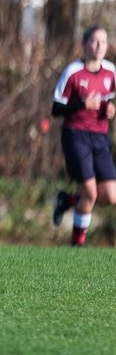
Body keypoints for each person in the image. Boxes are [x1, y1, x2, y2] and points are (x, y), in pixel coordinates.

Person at [50, 24, 116, 246]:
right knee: (89, 192)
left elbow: (109, 101)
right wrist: (81, 104)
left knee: (110, 196)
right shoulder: (73, 72)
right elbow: (56, 108)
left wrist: (110, 109)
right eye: (94, 41)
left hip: (100, 137)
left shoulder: (111, 71)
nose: (99, 46)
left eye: (103, 42)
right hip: (75, 135)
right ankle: (77, 246)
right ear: (84, 44)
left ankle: (67, 200)